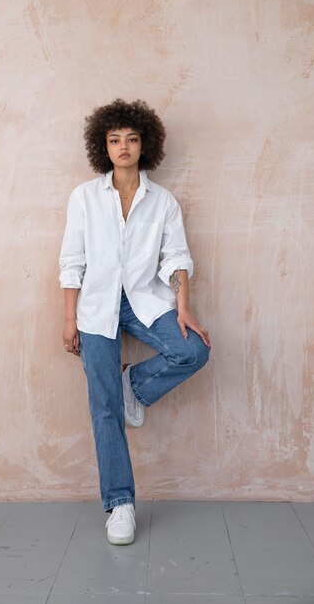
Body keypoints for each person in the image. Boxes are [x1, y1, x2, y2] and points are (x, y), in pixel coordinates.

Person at [59, 98, 211, 545]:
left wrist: (183, 307)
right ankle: (120, 504)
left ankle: (135, 386)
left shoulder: (163, 201)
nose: (123, 147)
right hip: (96, 307)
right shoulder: (84, 197)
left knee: (192, 350)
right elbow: (72, 260)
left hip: (144, 300)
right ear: (102, 147)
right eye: (114, 140)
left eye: (131, 139)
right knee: (104, 405)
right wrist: (70, 318)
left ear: (145, 145)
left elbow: (176, 257)